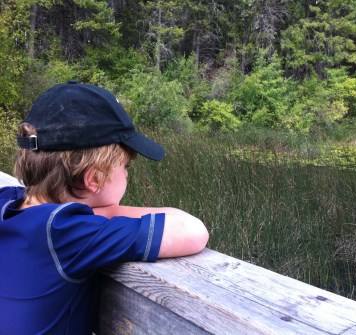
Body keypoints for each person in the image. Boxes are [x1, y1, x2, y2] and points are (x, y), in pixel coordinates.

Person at [0, 80, 209, 334]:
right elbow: (192, 230)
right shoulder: (66, 231)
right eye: (125, 167)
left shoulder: (7, 201)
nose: (127, 175)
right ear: (94, 179)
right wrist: (106, 212)